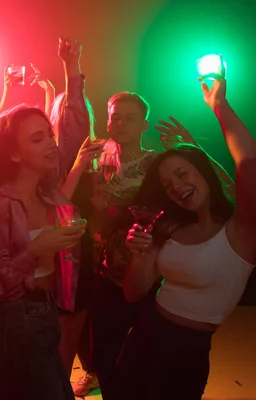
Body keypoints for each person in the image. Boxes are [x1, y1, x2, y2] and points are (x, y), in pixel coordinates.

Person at [117, 62, 256, 399]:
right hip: (146, 331)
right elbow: (133, 294)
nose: (176, 187)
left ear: (201, 170)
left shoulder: (241, 231)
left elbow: (249, 163)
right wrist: (138, 254)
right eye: (167, 183)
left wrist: (219, 107)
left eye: (182, 174)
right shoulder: (169, 227)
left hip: (186, 352)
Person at [0, 106, 86, 400]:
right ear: (14, 154)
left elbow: (76, 131)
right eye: (37, 139)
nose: (51, 143)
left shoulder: (49, 196)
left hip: (48, 313)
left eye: (50, 135)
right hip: (18, 323)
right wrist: (36, 249)